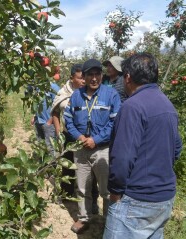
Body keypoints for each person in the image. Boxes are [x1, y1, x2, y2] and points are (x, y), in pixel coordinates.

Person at [103, 53, 182, 239]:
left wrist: (115, 192)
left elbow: (122, 157)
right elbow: (176, 149)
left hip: (136, 200)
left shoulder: (132, 107)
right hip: (164, 198)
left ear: (128, 77)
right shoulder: (167, 104)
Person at [64, 59, 121, 234]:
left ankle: (108, 222)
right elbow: (68, 120)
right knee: (82, 187)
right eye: (90, 75)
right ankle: (84, 218)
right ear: (84, 76)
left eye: (97, 74)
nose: (94, 78)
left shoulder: (111, 95)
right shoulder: (76, 96)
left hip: (102, 149)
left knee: (105, 190)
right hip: (81, 149)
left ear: (101, 75)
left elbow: (114, 122)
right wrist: (79, 136)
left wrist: (96, 139)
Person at [50, 64, 99, 212]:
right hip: (69, 136)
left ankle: (93, 202)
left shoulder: (90, 93)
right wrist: (58, 131)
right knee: (67, 166)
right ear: (72, 78)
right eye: (80, 78)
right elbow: (55, 112)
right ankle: (66, 195)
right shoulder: (63, 93)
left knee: (92, 170)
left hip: (86, 137)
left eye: (84, 77)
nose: (84, 80)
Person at [30, 82, 60, 157]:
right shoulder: (37, 86)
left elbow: (58, 105)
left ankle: (52, 167)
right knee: (41, 146)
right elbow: (37, 102)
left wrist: (51, 120)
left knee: (50, 147)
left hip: (49, 123)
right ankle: (43, 166)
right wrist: (35, 116)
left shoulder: (53, 87)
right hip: (38, 121)